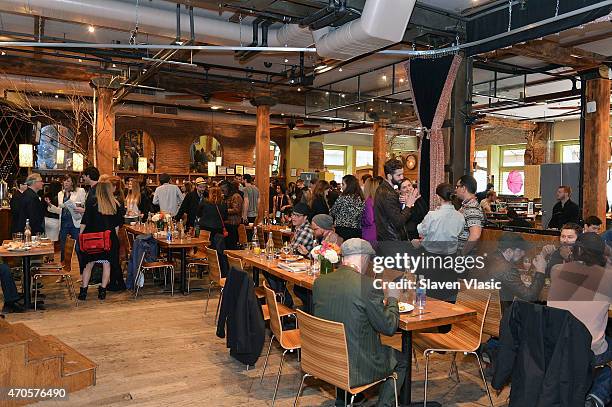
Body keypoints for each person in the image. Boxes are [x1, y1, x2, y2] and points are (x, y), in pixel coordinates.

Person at [313, 238, 405, 407]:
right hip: (355, 367)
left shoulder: (320, 282)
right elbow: (389, 327)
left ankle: (344, 400)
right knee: (401, 360)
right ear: (363, 258)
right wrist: (392, 298)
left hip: (325, 359)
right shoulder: (368, 285)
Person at [547, 233, 612, 407]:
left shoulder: (557, 271)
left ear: (576, 250)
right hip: (590, 350)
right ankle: (598, 394)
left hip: (557, 347)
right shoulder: (608, 277)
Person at [78, 181, 125, 301]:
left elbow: (85, 221)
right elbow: (116, 226)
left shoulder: (92, 203)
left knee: (88, 265)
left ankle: (83, 292)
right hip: (108, 238)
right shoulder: (115, 205)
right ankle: (102, 291)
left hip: (92, 238)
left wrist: (81, 235)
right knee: (106, 264)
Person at [481, 233, 546, 314]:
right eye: (520, 250)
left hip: (484, 311)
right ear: (508, 251)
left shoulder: (489, 257)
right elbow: (530, 297)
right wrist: (541, 271)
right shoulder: (508, 269)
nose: (523, 254)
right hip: (500, 315)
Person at [374, 159, 420, 242]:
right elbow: (398, 222)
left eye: (402, 174)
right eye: (398, 175)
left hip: (388, 238)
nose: (402, 177)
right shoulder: (387, 193)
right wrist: (408, 205)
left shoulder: (385, 189)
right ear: (389, 176)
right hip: (392, 239)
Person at [413, 183, 465, 255]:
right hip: (451, 254)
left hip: (432, 254)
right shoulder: (460, 216)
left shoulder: (432, 215)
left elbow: (421, 230)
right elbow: (459, 232)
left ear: (438, 197)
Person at [46, 175, 86, 266]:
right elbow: (61, 210)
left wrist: (76, 207)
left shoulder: (80, 191)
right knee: (63, 249)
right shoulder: (60, 193)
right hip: (64, 223)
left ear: (72, 182)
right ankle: (63, 272)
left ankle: (82, 273)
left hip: (75, 223)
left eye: (68, 181)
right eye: (64, 181)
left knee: (78, 249)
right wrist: (50, 206)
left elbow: (83, 207)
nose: (65, 183)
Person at [454, 174, 485, 255]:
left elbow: (475, 235)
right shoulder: (467, 206)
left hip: (465, 257)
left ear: (464, 188)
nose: (455, 190)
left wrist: (462, 253)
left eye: (457, 187)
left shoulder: (472, 208)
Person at [330, 175, 365, 241]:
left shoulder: (343, 197)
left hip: (342, 229)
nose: (341, 187)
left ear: (349, 185)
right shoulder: (361, 198)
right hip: (356, 230)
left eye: (343, 184)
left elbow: (333, 211)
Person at [219, 180, 243, 250]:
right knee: (226, 246)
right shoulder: (226, 197)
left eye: (223, 190)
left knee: (232, 246)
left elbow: (236, 209)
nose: (222, 192)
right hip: (226, 224)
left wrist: (224, 210)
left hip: (233, 224)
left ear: (228, 188)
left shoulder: (236, 196)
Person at [361, 176, 383, 246]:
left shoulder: (368, 201)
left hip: (369, 232)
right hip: (377, 231)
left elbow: (369, 220)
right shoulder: (378, 200)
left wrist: (361, 220)